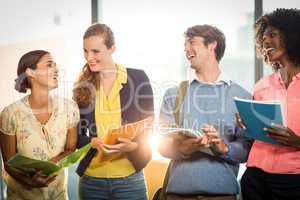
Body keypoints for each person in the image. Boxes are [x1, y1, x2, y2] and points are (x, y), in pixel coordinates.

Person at [158, 24, 252, 200]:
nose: (186, 49)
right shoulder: (174, 94)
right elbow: (161, 145)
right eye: (185, 44)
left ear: (212, 46)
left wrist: (224, 148)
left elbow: (247, 151)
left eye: (192, 42)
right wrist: (183, 149)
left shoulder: (242, 96)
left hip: (222, 195)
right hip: (177, 195)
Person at [73, 23, 154, 200]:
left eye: (95, 51)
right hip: (92, 181)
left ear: (112, 48)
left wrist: (132, 146)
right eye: (86, 51)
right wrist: (92, 142)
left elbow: (149, 126)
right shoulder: (83, 86)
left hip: (130, 179)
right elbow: (76, 137)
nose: (89, 57)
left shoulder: (138, 78)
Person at [0, 50, 80, 200]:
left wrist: (54, 162)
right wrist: (29, 181)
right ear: (30, 72)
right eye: (49, 65)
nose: (56, 69)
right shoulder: (10, 114)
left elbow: (70, 148)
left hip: (58, 195)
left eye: (55, 65)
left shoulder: (70, 108)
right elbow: (9, 163)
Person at [240, 8, 300, 200]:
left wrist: (297, 142)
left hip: (293, 181)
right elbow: (255, 137)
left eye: (272, 35)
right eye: (263, 38)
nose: (265, 41)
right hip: (254, 178)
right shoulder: (262, 86)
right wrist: (248, 125)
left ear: (293, 36)